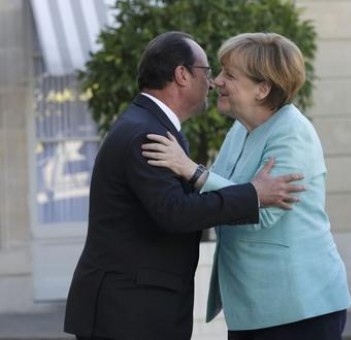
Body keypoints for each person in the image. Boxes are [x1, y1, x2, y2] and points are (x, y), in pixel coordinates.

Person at [63, 31, 304, 340]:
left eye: (225, 74)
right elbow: (175, 213)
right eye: (207, 72)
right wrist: (253, 194)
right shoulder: (146, 134)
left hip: (135, 308)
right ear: (181, 75)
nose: (214, 82)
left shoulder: (150, 125)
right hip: (128, 312)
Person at [142, 32, 351, 340]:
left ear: (263, 88)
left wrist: (191, 169)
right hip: (254, 305)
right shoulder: (240, 131)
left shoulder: (292, 133)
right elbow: (222, 194)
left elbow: (262, 212)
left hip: (297, 306)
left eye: (230, 74)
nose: (216, 82)